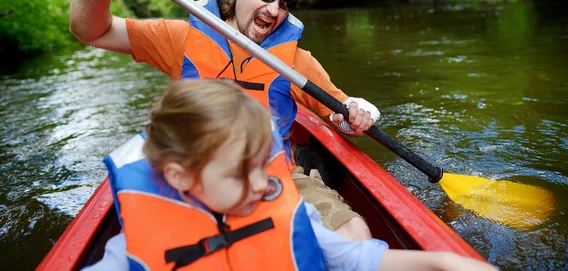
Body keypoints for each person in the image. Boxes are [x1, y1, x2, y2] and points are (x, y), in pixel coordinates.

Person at [70, 0, 380, 240]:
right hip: (194, 175)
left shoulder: (297, 62)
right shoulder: (181, 39)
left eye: (286, 3)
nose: (274, 10)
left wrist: (356, 114)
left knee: (353, 230)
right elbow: (93, 32)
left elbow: (340, 109)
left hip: (274, 175)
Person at [85, 79, 496, 271]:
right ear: (179, 176)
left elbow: (354, 258)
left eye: (262, 165)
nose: (264, 185)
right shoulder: (127, 255)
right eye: (240, 173)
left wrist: (444, 262)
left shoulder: (285, 211)